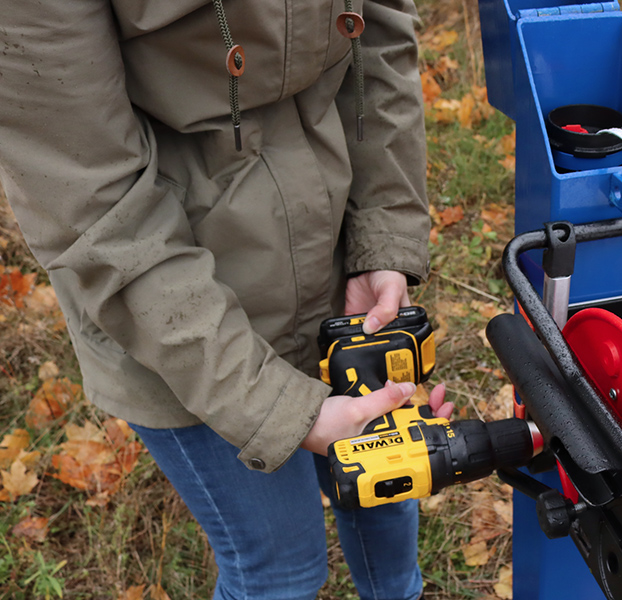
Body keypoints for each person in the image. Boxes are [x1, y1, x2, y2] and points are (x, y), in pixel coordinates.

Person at [0, 0, 454, 599]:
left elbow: (379, 34)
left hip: (336, 270)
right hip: (175, 316)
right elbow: (90, 199)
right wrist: (273, 409)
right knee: (280, 571)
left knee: (387, 486)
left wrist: (383, 238)